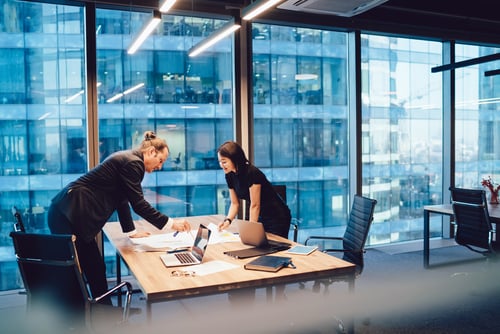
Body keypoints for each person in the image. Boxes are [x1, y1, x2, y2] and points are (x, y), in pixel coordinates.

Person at [48, 130, 191, 304]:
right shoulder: (133, 163)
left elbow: (122, 199)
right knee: (77, 271)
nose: (160, 166)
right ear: (152, 152)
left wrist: (131, 231)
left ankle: (104, 314)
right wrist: (171, 223)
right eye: (160, 160)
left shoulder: (130, 159)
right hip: (68, 213)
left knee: (95, 269)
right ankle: (82, 319)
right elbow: (139, 204)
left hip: (70, 213)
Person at [217, 140, 291, 238]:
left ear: (235, 159)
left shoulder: (252, 173)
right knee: (257, 245)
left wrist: (250, 231)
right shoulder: (229, 175)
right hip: (260, 215)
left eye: (224, 162)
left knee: (273, 248)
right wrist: (228, 220)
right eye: (220, 162)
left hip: (276, 216)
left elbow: (255, 205)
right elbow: (235, 203)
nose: (221, 165)